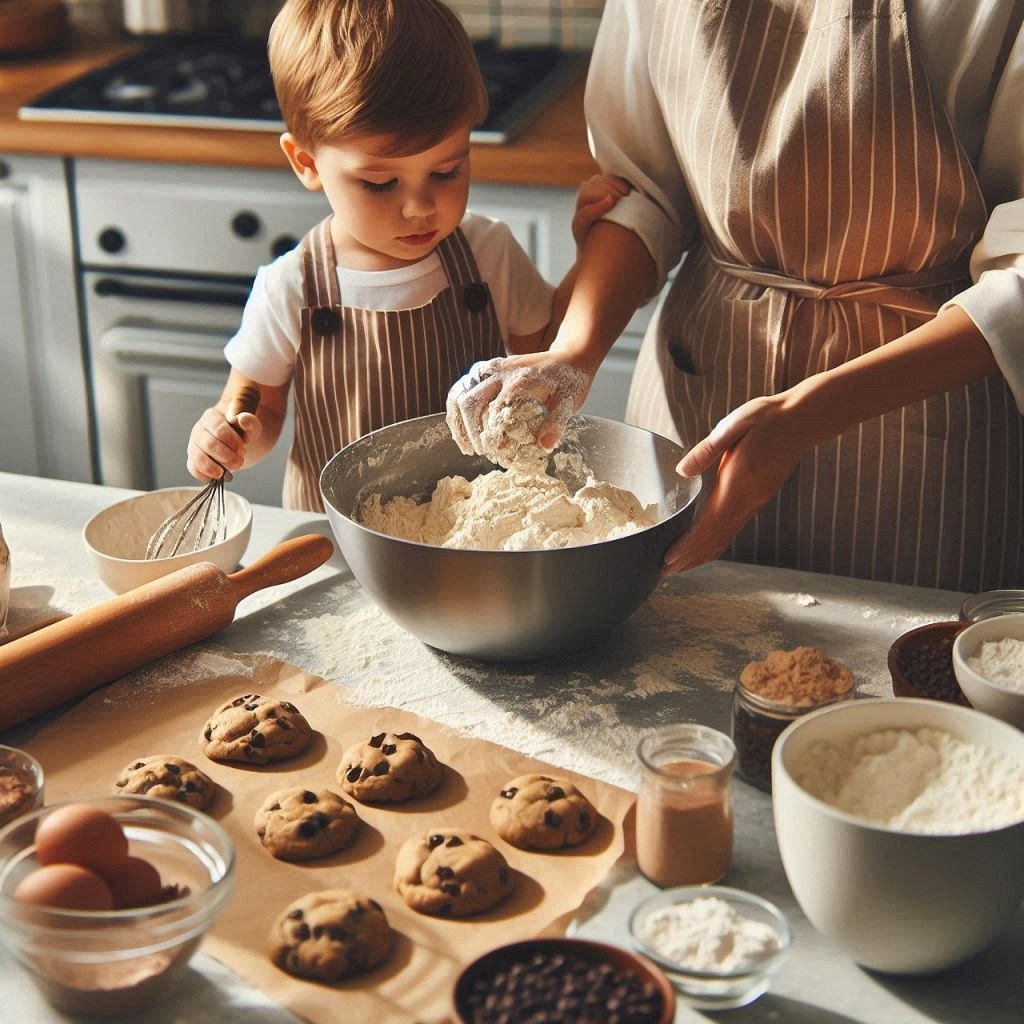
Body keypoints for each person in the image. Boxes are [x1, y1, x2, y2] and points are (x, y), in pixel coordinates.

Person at [447, 0, 1024, 592]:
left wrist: (809, 414)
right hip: (701, 384)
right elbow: (643, 190)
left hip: (924, 417)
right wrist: (571, 352)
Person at [185, 0, 624, 512]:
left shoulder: (486, 252)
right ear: (307, 163)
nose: (420, 208)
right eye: (380, 183)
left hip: (474, 528)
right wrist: (227, 438)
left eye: (446, 172)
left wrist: (590, 251)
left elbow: (546, 355)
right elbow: (258, 412)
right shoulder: (292, 287)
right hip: (339, 539)